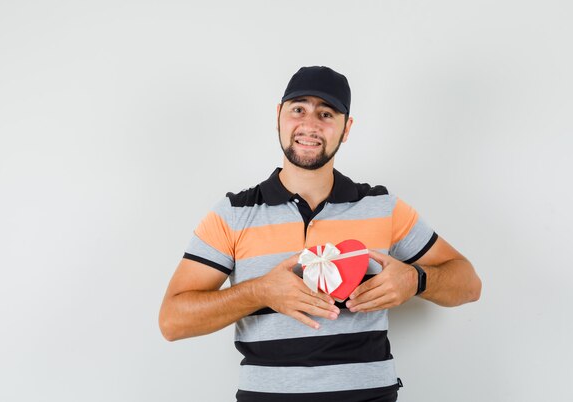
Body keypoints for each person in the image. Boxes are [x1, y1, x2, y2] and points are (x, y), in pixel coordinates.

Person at [159, 66, 482, 402]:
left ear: (346, 129)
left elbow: (469, 284)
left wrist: (415, 281)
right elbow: (172, 321)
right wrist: (259, 292)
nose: (309, 124)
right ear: (278, 116)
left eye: (326, 113)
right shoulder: (233, 214)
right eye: (298, 108)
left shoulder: (382, 206)